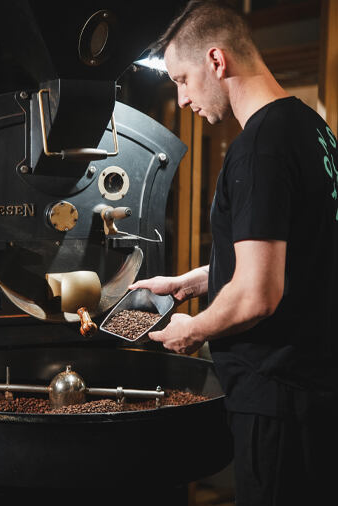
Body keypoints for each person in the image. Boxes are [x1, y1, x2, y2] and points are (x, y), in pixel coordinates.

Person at [129, 1, 338, 505]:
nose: (182, 99)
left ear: (216, 61)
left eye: (182, 80)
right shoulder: (312, 129)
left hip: (278, 399)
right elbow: (284, 258)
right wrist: (185, 284)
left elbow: (256, 295)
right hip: (315, 391)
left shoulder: (260, 147)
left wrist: (192, 330)